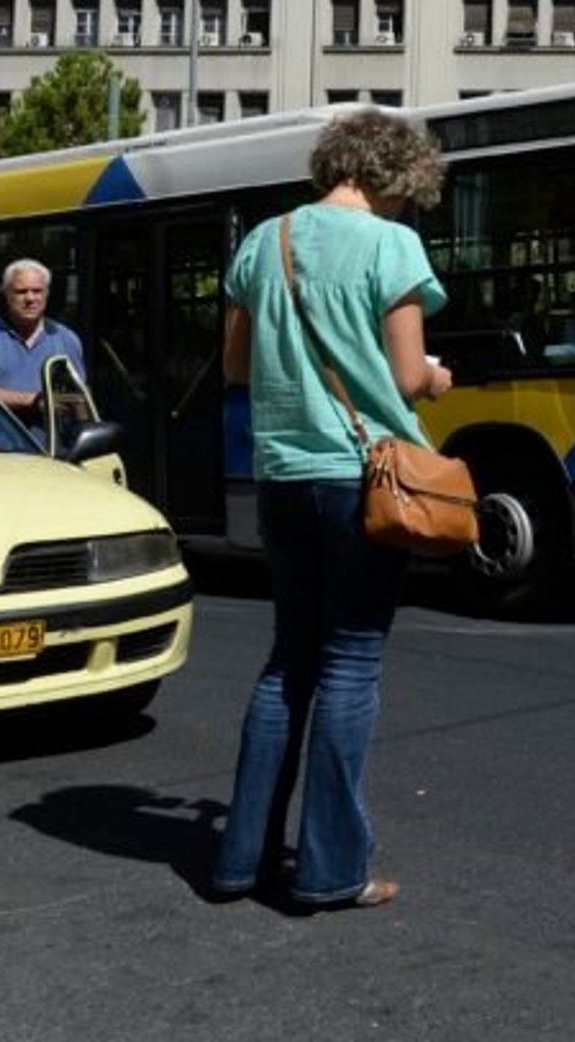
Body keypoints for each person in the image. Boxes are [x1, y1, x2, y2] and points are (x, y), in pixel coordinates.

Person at [210, 110, 452, 911]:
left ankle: (239, 860)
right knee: (351, 663)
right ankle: (329, 872)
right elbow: (408, 374)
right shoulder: (391, 246)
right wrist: (436, 379)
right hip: (366, 477)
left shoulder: (263, 240)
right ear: (393, 175)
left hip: (281, 474)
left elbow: (237, 365)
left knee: (290, 661)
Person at [0, 259, 87, 426]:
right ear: (7, 294)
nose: (30, 298)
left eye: (37, 291)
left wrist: (88, 433)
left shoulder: (66, 338)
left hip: (53, 445)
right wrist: (33, 400)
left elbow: (78, 398)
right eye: (21, 291)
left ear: (47, 294)